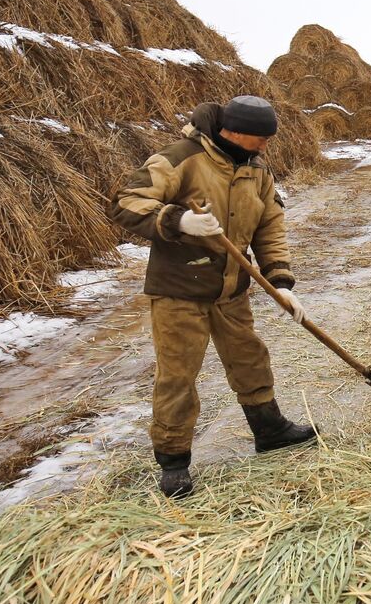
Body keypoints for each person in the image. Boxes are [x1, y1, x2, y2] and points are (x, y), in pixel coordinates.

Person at [108, 95, 316, 497]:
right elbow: (125, 202)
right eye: (262, 138)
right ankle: (173, 462)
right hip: (179, 291)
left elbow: (270, 227)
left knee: (250, 358)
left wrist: (282, 283)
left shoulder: (256, 171)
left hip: (231, 290)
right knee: (178, 375)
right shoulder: (181, 158)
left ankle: (269, 430)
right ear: (235, 132)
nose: (266, 147)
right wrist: (177, 219)